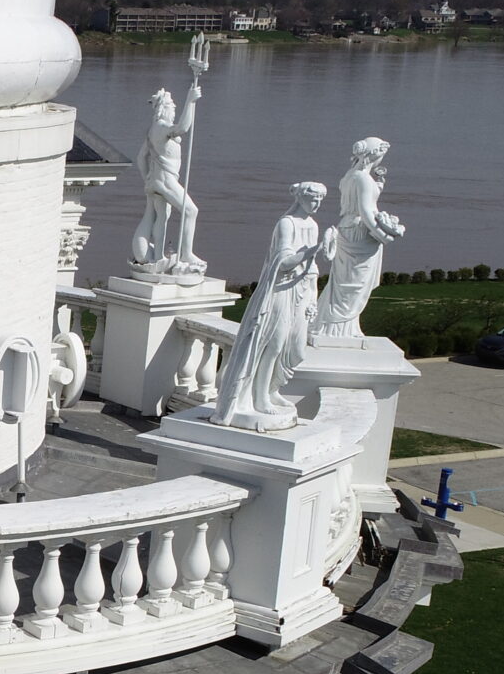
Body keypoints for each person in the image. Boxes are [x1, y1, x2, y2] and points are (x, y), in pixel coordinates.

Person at [213, 181, 327, 430]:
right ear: (300, 197)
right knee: (274, 344)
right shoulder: (286, 223)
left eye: (321, 199)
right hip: (279, 292)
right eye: (314, 198)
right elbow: (283, 262)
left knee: (295, 349)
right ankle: (260, 397)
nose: (317, 204)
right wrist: (312, 251)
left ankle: (272, 388)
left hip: (301, 290)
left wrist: (313, 297)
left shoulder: (313, 225)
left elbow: (312, 268)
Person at [129, 42, 208, 278]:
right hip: (165, 181)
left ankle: (155, 256)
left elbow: (140, 157)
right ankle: (186, 254)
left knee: (160, 217)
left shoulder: (153, 129)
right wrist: (190, 100)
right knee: (190, 211)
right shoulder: (163, 127)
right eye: (172, 107)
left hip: (157, 181)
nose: (173, 110)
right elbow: (183, 127)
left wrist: (147, 180)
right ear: (165, 109)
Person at [313, 137, 404, 340]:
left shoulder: (350, 175)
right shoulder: (363, 178)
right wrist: (384, 234)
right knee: (354, 284)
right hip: (360, 233)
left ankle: (338, 327)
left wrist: (377, 186)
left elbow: (359, 201)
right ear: (374, 155)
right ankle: (339, 330)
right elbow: (365, 211)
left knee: (345, 282)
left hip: (347, 228)